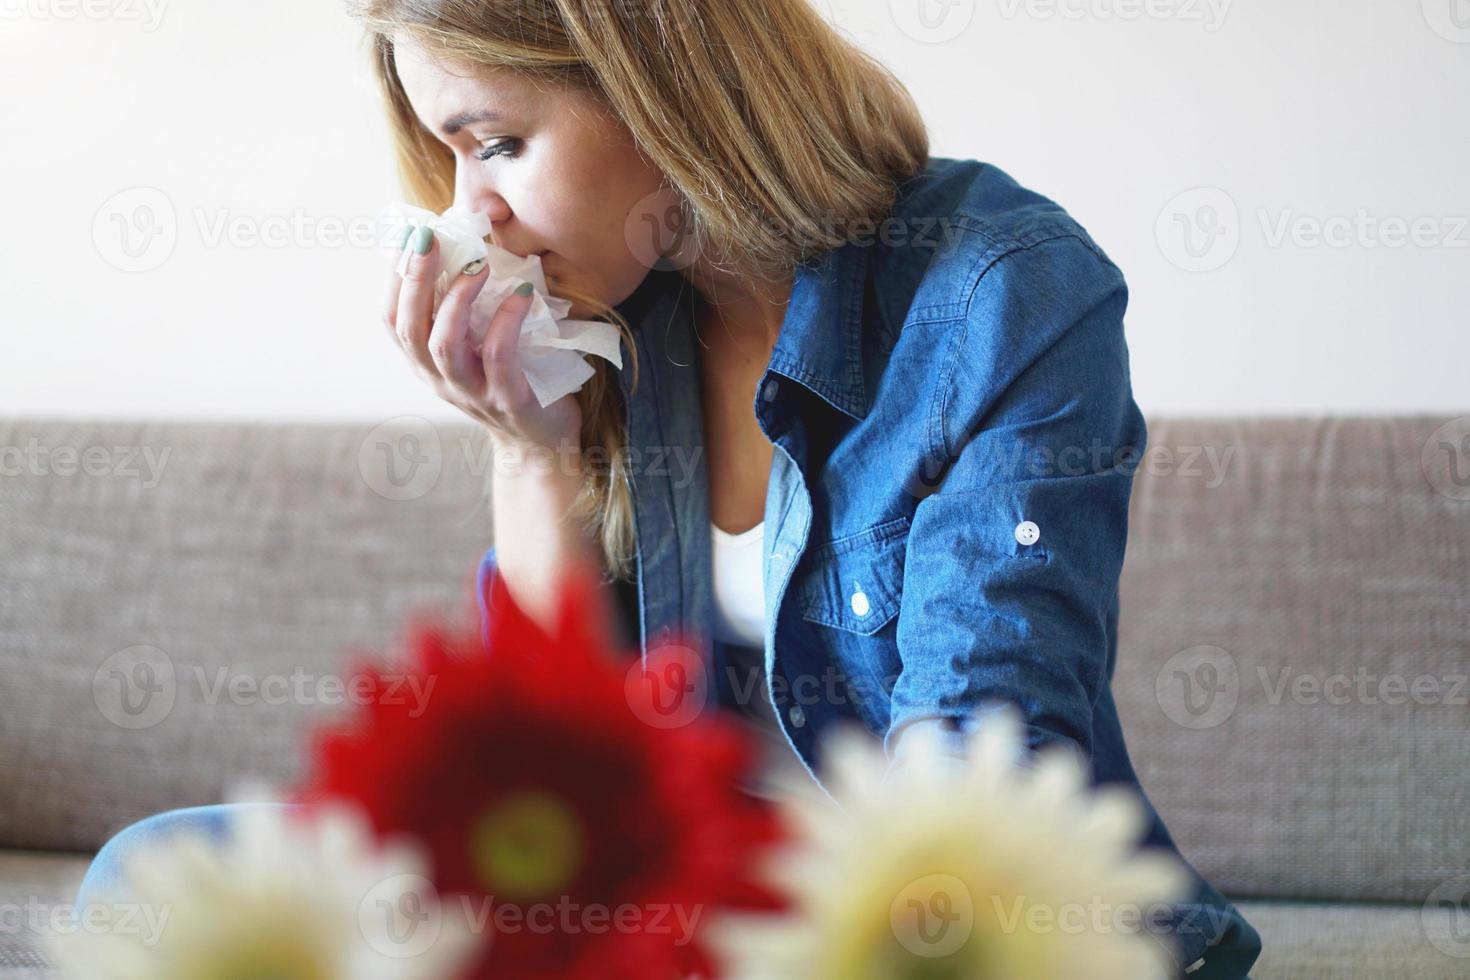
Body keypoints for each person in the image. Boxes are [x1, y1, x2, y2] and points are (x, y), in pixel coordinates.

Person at [75, 2, 1260, 975]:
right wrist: (527, 445)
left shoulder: (999, 288)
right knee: (157, 873)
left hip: (911, 913)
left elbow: (976, 775)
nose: (467, 210)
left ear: (657, 80)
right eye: (448, 157)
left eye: (494, 143)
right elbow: (550, 768)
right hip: (675, 889)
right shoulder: (619, 320)